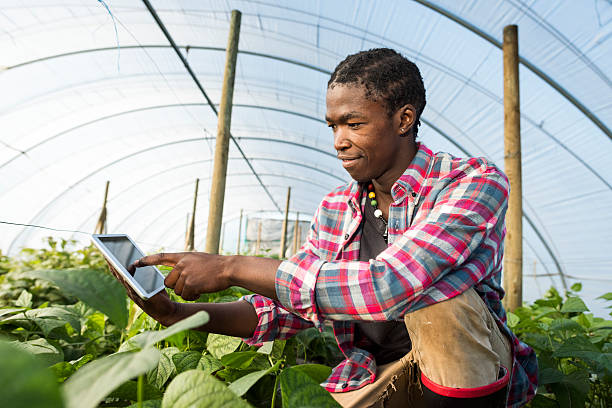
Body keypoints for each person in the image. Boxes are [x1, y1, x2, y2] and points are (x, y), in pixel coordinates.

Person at [110, 48, 537, 407]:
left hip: (467, 374)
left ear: (404, 119)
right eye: (333, 126)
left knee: (443, 305)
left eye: (354, 123)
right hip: (376, 370)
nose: (339, 140)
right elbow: (289, 307)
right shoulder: (337, 206)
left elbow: (389, 285)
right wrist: (178, 315)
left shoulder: (471, 183)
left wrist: (230, 267)